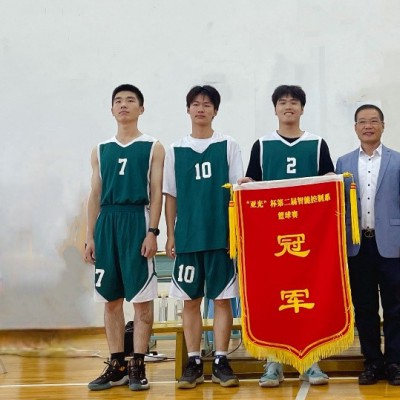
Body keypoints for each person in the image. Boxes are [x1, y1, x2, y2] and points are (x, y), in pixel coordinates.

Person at [239, 84, 334, 387]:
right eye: (282, 102)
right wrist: (246, 185)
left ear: (302, 108)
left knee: (310, 295)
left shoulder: (317, 144)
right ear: (275, 109)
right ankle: (273, 362)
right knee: (273, 297)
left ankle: (311, 360)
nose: (288, 106)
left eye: (294, 102)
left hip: (310, 240)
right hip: (272, 239)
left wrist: (331, 181)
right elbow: (253, 184)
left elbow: (328, 185)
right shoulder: (262, 145)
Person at [84, 84, 164, 391]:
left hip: (136, 220)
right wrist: (90, 236)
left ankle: (137, 365)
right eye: (118, 101)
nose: (123, 105)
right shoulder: (100, 149)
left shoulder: (153, 146)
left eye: (130, 100)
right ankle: (117, 364)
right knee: (111, 299)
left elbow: (156, 192)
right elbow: (94, 195)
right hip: (107, 222)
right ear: (111, 109)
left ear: (141, 109)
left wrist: (152, 231)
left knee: (142, 300)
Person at [164, 85, 244, 389]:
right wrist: (170, 234)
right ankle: (194, 361)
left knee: (222, 300)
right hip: (188, 237)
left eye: (207, 104)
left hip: (221, 236)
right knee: (191, 301)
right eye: (196, 104)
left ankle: (221, 359)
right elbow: (171, 196)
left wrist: (236, 233)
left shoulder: (228, 145)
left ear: (215, 111)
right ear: (188, 109)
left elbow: (237, 192)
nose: (201, 109)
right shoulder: (175, 149)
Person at [335, 104, 400, 386]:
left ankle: (395, 363)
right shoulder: (343, 163)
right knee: (364, 308)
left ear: (383, 125)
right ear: (355, 127)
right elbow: (338, 207)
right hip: (357, 246)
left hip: (392, 246)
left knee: (395, 308)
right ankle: (372, 362)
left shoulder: (399, 160)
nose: (368, 126)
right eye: (362, 122)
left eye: (373, 121)